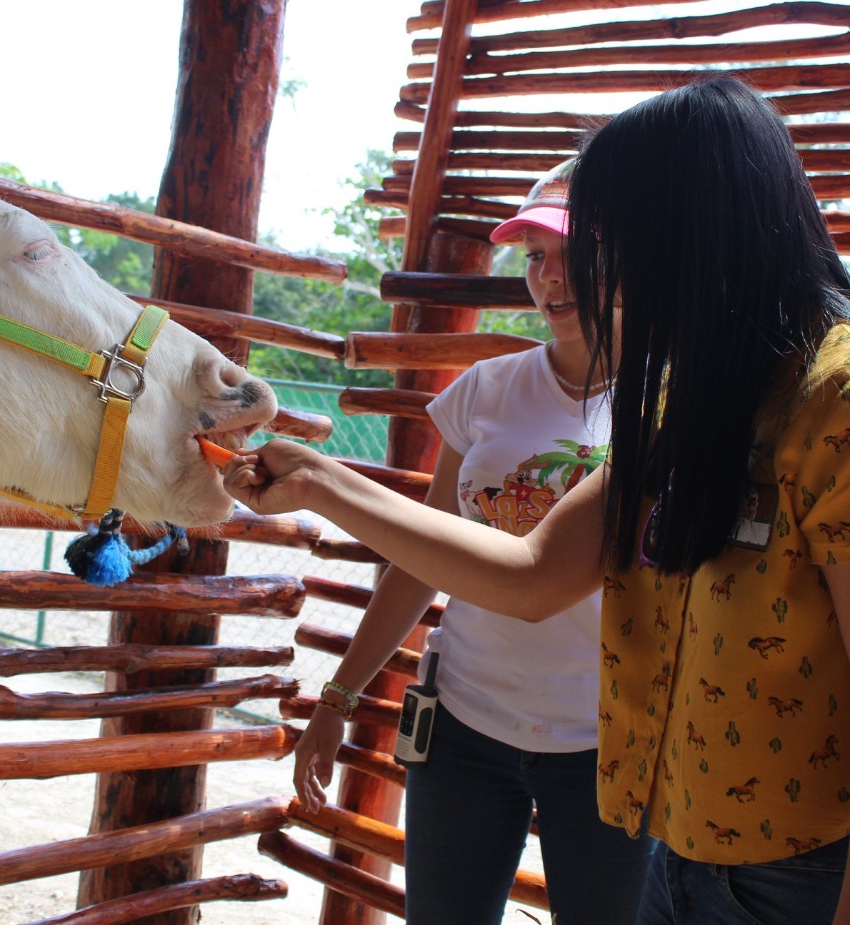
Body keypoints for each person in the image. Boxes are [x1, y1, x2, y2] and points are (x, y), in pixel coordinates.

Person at [227, 75, 850, 925]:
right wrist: (323, 483)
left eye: (612, 242)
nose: (586, 275)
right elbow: (532, 573)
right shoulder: (686, 394)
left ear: (691, 232)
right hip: (679, 861)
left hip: (825, 885)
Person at [292, 160, 651, 925]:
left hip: (608, 745)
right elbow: (422, 559)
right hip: (465, 727)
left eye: (570, 255)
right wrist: (337, 695)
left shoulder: (665, 409)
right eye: (534, 258)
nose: (549, 281)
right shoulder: (485, 391)